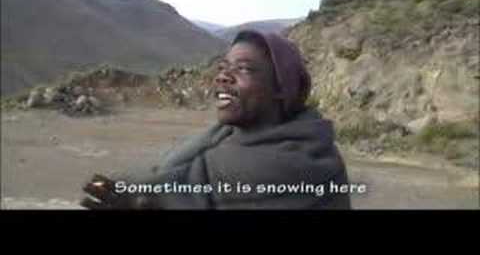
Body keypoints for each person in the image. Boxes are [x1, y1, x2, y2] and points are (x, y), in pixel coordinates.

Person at [80, 30, 351, 209]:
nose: (223, 76)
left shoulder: (295, 162)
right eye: (223, 68)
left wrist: (133, 196)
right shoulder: (222, 138)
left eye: (243, 69)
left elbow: (178, 189)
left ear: (281, 87)